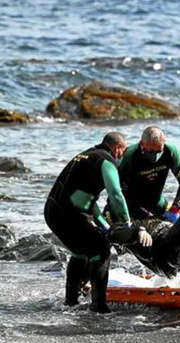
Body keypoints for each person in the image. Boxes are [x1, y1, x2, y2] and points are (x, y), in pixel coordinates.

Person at [44, 131, 152, 313]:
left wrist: (106, 226)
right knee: (101, 250)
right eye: (123, 152)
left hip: (52, 210)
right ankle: (98, 305)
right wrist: (127, 225)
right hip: (67, 212)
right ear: (117, 149)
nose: (122, 157)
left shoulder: (86, 155)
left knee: (80, 251)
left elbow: (89, 200)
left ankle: (71, 302)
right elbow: (116, 195)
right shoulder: (106, 161)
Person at [116, 126, 180, 222]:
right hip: (132, 204)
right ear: (142, 144)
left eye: (159, 151)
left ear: (164, 142)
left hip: (158, 202)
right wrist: (144, 215)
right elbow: (118, 190)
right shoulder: (130, 155)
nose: (155, 156)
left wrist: (176, 208)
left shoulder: (170, 151)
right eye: (151, 151)